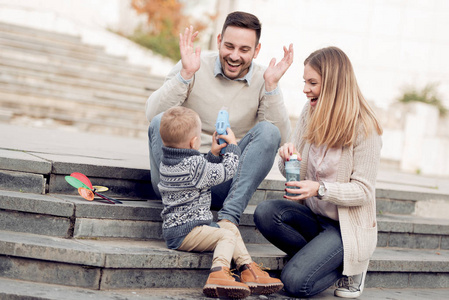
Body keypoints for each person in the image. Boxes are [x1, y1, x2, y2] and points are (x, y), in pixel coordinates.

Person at [254, 46, 383, 298]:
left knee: (294, 283)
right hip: (313, 218)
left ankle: (351, 267)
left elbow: (363, 191)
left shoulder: (365, 127)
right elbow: (292, 173)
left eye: (312, 82)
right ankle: (314, 257)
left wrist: (321, 189)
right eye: (305, 81)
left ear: (334, 84)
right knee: (265, 213)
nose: (305, 89)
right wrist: (287, 158)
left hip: (345, 229)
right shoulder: (309, 112)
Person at [146, 11, 293, 227]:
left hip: (226, 179)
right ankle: (183, 209)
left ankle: (228, 219)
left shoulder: (265, 78)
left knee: (269, 131)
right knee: (161, 120)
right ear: (219, 41)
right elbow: (152, 116)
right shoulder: (193, 64)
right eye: (229, 46)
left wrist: (271, 87)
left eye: (244, 50)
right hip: (180, 182)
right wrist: (185, 75)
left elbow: (279, 139)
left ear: (256, 50)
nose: (234, 56)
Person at [158, 106, 283, 299]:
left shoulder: (167, 163)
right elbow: (227, 171)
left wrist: (213, 155)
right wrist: (232, 147)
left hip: (179, 229)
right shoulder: (195, 166)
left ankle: (248, 270)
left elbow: (200, 177)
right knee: (226, 236)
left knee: (228, 227)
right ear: (194, 142)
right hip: (187, 232)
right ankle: (219, 272)